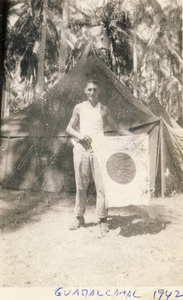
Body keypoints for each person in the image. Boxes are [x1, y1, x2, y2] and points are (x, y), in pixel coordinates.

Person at [66, 79, 133, 233]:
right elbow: (69, 128)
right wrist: (80, 135)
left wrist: (136, 136)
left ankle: (102, 219)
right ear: (85, 90)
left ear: (99, 91)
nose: (92, 93)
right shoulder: (79, 108)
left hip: (99, 150)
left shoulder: (104, 109)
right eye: (89, 89)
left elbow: (117, 129)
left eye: (95, 90)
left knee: (101, 186)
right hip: (81, 149)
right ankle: (79, 217)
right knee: (81, 185)